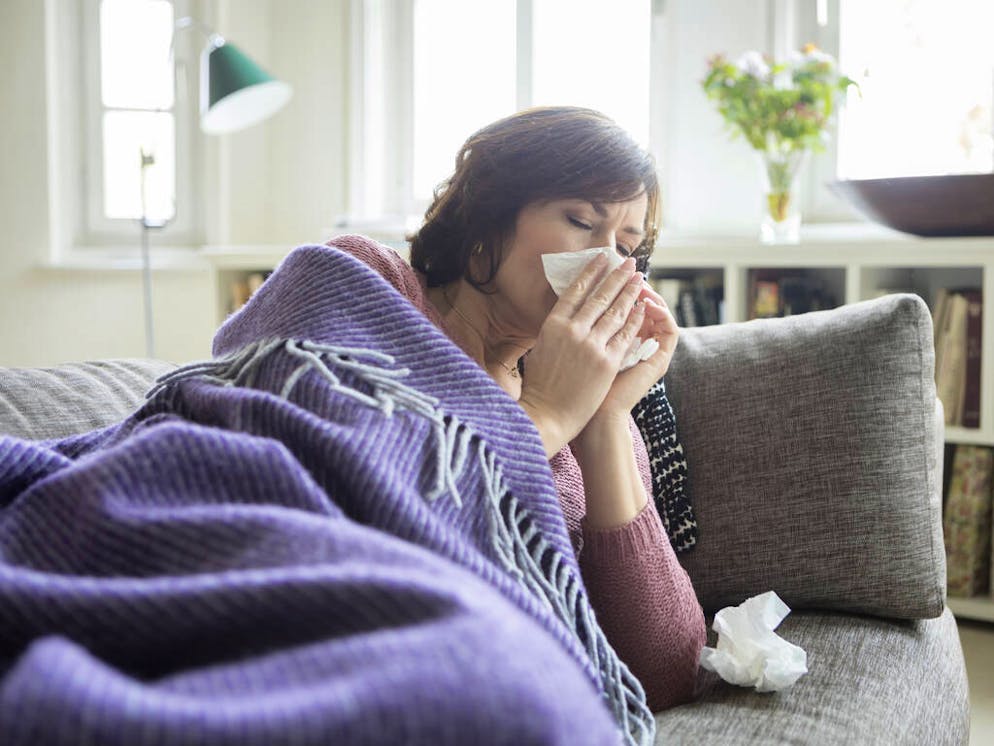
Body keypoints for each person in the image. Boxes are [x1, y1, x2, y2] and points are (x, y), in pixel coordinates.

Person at [327, 106, 705, 711]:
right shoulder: (370, 282)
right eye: (582, 220)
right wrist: (547, 413)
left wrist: (602, 422)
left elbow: (665, 675)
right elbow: (355, 515)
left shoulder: (598, 415)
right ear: (489, 219)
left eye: (628, 247)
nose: (608, 262)